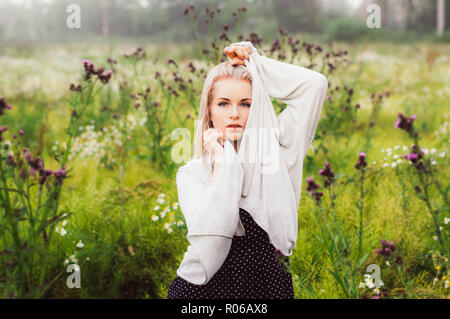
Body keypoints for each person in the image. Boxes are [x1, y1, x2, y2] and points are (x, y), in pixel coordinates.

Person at [167, 41, 328, 299]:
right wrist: (224, 161)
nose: (234, 113)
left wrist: (258, 65)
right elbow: (212, 238)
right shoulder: (192, 173)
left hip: (269, 285)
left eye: (246, 103)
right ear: (209, 111)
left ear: (258, 106)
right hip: (203, 289)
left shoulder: (279, 149)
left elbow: (315, 85)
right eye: (223, 104)